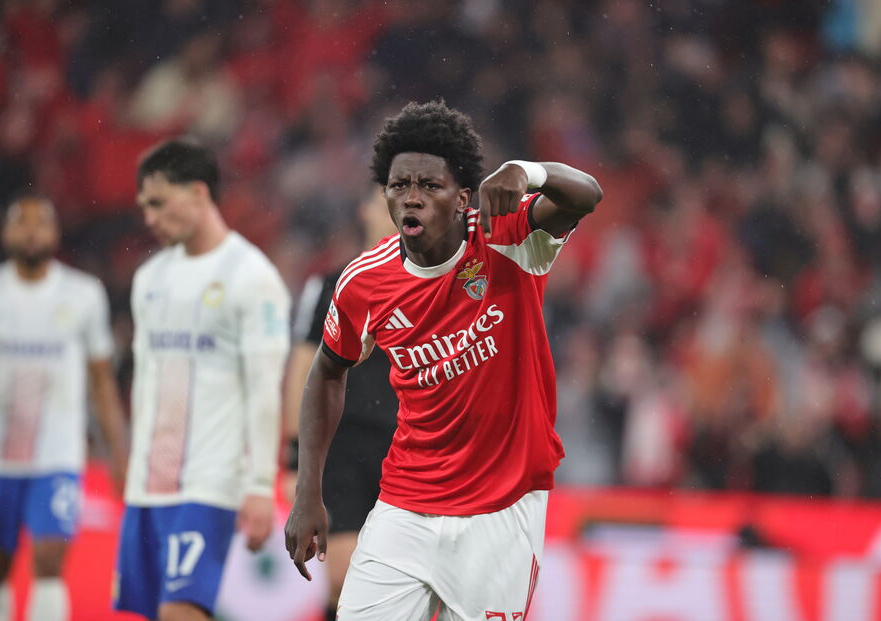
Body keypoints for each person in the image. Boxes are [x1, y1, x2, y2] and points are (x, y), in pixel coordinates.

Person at [285, 100, 603, 620]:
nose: (411, 199)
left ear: (461, 197)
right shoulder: (363, 282)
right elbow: (326, 372)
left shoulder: (508, 238)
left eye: (428, 187)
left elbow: (586, 195)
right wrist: (307, 492)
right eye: (399, 186)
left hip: (504, 507)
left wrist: (530, 172)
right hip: (405, 504)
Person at [115, 139, 290, 621]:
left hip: (210, 481)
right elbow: (145, 383)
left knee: (181, 612)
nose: (148, 218)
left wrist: (259, 484)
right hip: (148, 485)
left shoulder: (252, 277)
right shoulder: (149, 278)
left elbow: (263, 389)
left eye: (157, 202)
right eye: (143, 206)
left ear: (197, 192)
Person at [0, 195, 129, 621]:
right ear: (7, 232)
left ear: (55, 234)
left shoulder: (83, 294)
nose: (32, 230)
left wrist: (118, 451)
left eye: (42, 223)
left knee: (51, 560)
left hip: (55, 453)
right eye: (22, 222)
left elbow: (101, 380)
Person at [282, 188, 399, 621]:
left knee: (403, 581)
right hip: (344, 446)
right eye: (386, 197)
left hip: (406, 447)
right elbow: (302, 369)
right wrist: (295, 455)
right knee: (345, 579)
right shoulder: (331, 285)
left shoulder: (435, 285)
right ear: (364, 208)